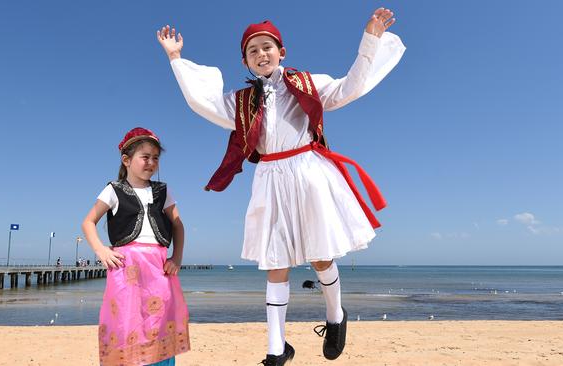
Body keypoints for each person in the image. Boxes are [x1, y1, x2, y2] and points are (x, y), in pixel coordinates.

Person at [158, 7, 404, 365]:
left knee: (321, 255)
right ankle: (277, 347)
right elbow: (202, 103)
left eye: (267, 47)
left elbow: (349, 87)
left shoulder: (307, 83)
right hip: (270, 179)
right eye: (253, 50)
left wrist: (371, 38)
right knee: (276, 260)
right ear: (244, 61)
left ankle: (336, 316)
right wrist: (177, 59)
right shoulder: (240, 102)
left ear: (281, 52)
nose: (261, 54)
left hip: (308, 172)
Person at [82, 127, 190, 366]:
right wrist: (101, 250)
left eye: (155, 158)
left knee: (159, 322)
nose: (151, 162)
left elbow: (178, 225)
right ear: (127, 160)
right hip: (126, 267)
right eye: (145, 157)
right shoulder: (114, 190)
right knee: (126, 321)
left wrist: (177, 257)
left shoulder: (164, 191)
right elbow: (88, 222)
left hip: (159, 267)